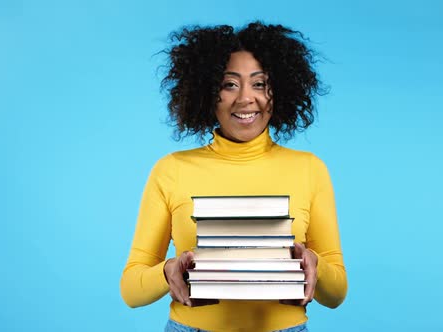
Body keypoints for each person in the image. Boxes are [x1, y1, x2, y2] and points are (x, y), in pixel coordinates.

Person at [120, 21, 347, 332]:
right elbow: (131, 289)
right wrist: (167, 271)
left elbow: (337, 295)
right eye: (229, 84)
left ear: (277, 90)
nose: (245, 99)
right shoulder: (171, 170)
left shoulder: (309, 169)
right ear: (207, 92)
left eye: (259, 83)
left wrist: (315, 267)